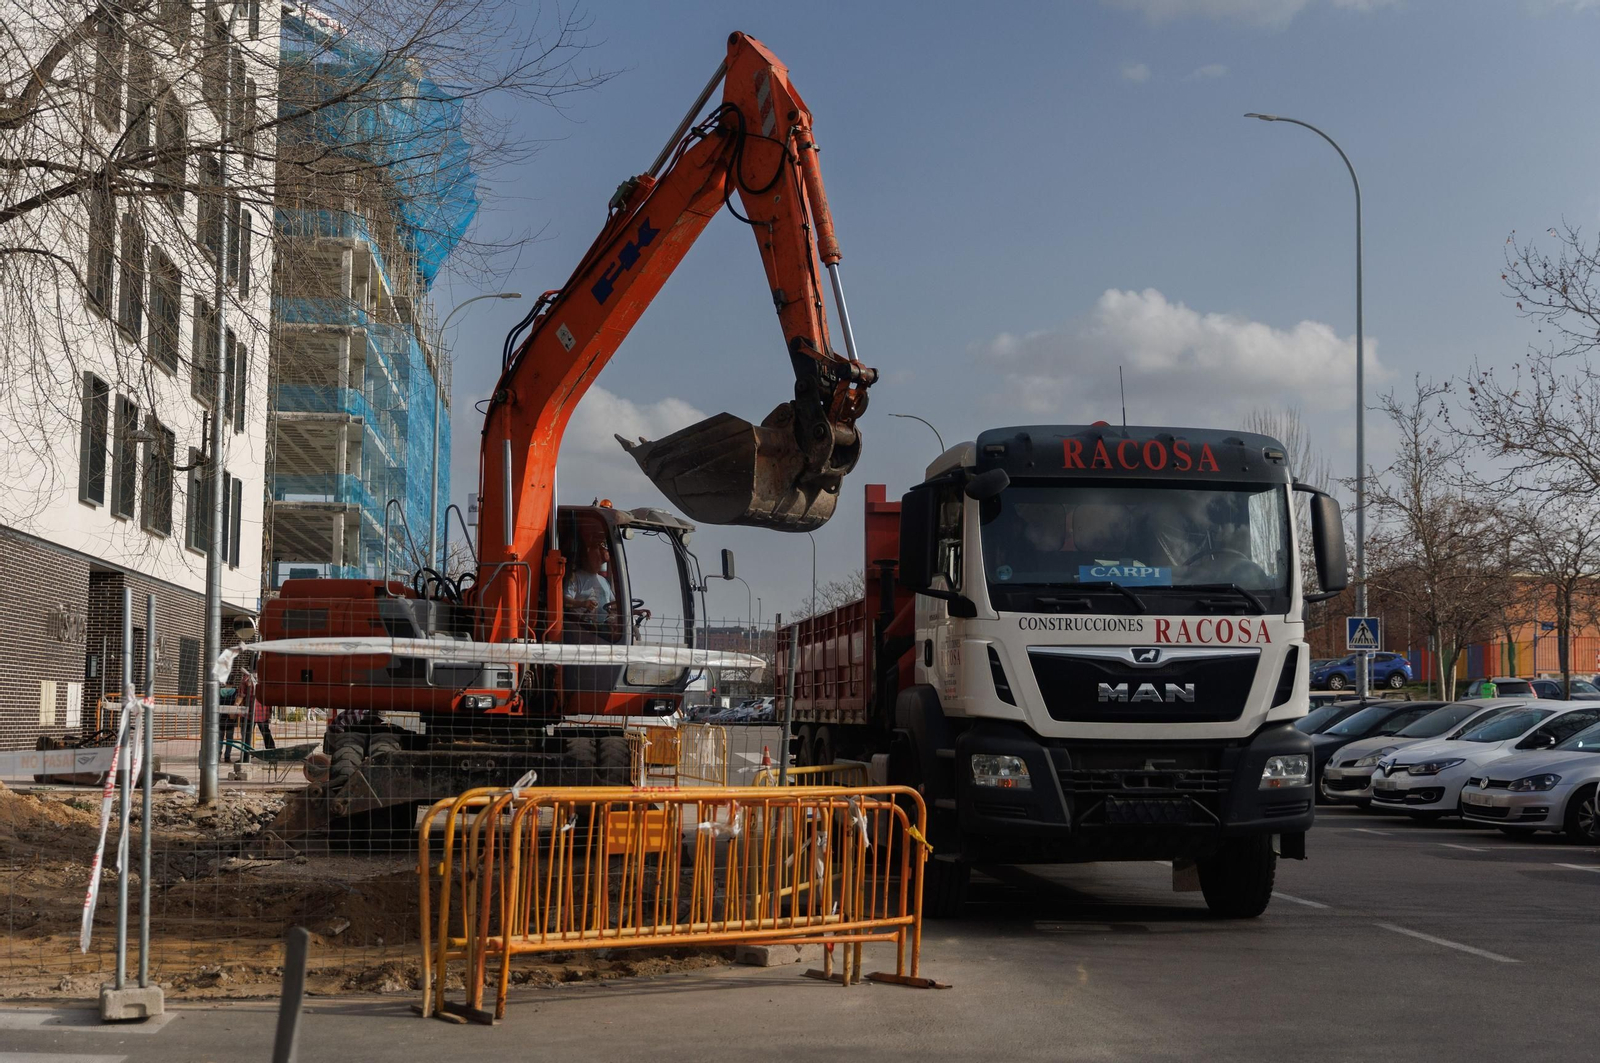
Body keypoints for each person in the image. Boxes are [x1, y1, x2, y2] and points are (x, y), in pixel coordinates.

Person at [563, 533, 622, 641]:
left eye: (600, 561)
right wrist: (582, 603)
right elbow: (565, 600)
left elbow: (613, 604)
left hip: (602, 626)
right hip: (582, 628)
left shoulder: (603, 581)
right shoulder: (575, 577)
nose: (599, 562)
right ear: (586, 558)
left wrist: (632, 611)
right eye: (596, 559)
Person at [219, 682, 239, 763]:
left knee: (219, 738)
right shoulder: (235, 692)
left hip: (220, 716)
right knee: (229, 738)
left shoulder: (219, 691)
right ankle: (227, 756)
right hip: (230, 717)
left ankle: (217, 755)